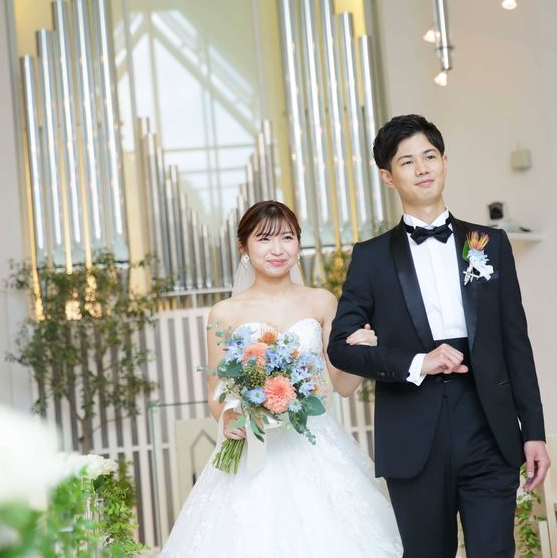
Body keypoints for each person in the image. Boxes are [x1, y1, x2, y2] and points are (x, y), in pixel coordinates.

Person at [327, 114, 550, 558]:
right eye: (407, 161)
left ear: (445, 162)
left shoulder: (490, 244)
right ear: (388, 177)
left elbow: (515, 344)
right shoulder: (371, 258)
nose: (422, 168)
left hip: (488, 427)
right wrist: (417, 362)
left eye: (429, 156)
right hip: (413, 434)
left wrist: (534, 431)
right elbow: (340, 348)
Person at [159, 200, 402, 557]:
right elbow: (216, 393)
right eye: (264, 239)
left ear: (298, 244)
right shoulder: (224, 313)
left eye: (287, 237)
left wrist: (363, 351)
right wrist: (229, 416)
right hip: (255, 447)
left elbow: (344, 386)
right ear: (243, 247)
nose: (277, 249)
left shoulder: (321, 302)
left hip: (316, 445)